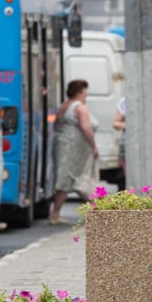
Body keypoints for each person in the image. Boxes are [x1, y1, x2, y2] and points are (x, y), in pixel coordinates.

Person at [50, 79, 99, 224]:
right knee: (82, 178)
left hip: (62, 146)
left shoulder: (65, 106)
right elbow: (85, 127)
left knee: (65, 178)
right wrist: (93, 145)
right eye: (85, 92)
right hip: (75, 149)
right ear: (80, 92)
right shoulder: (80, 108)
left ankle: (55, 213)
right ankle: (96, 210)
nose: (86, 95)